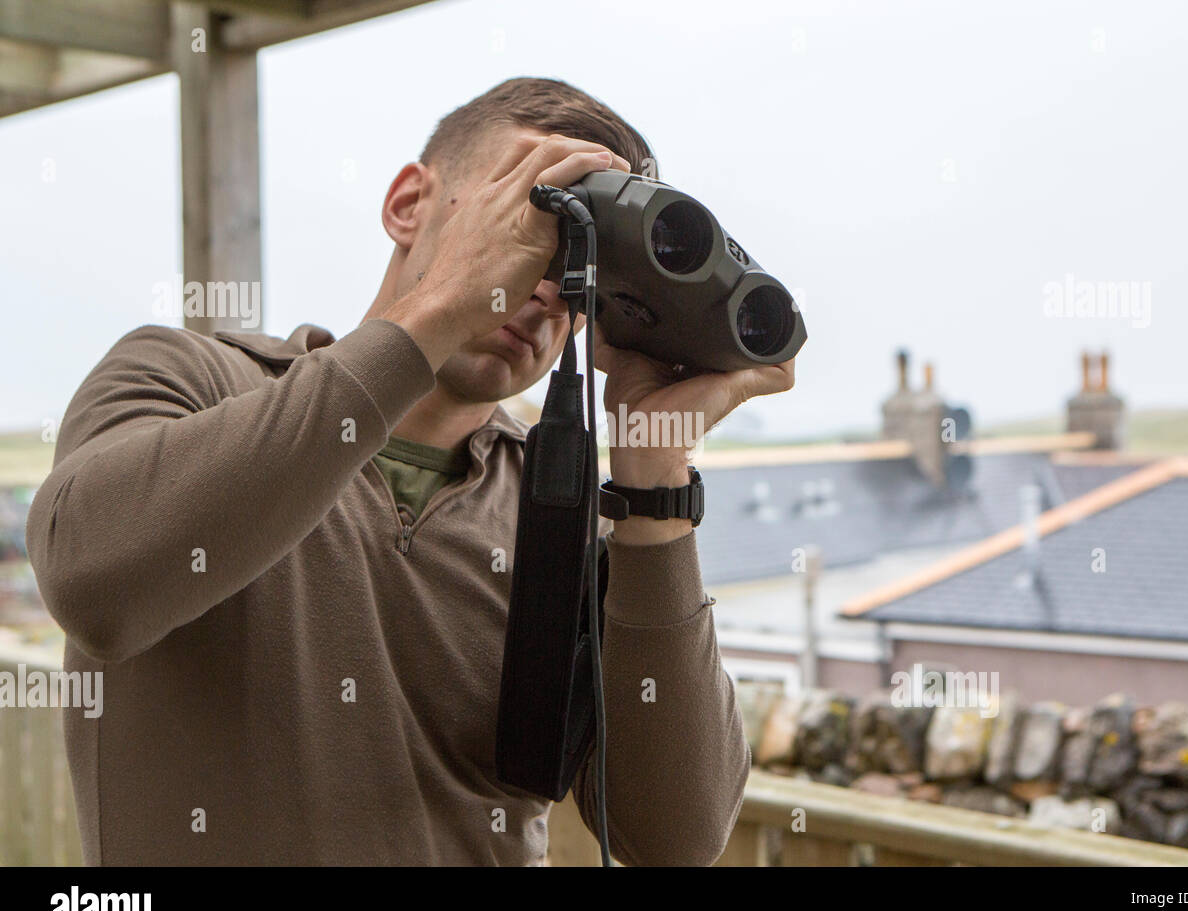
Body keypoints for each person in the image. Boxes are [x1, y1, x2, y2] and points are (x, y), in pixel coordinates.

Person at [26, 77, 794, 866]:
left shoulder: (560, 506)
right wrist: (445, 304)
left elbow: (676, 838)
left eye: (577, 260)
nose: (540, 285)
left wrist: (654, 483)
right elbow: (94, 588)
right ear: (405, 205)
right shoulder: (186, 379)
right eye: (528, 219)